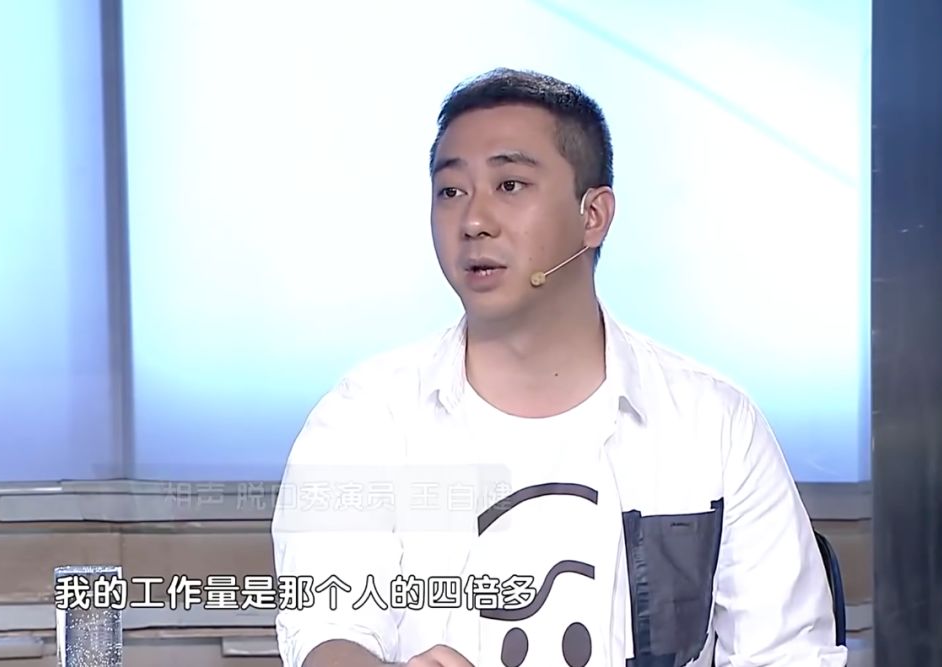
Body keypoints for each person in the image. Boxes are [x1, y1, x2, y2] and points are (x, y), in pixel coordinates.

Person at [272, 68, 847, 667]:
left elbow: (787, 654)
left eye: (510, 185)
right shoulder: (364, 418)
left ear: (592, 214)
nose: (473, 221)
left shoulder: (714, 425)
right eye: (451, 191)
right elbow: (327, 629)